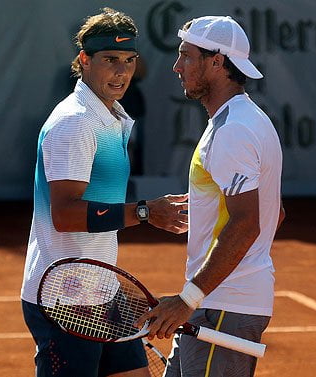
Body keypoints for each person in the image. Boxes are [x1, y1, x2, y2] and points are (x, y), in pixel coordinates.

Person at [20, 8, 188, 377]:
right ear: (84, 60)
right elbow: (65, 216)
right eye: (110, 60)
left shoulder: (111, 117)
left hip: (101, 291)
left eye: (129, 61)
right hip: (63, 300)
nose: (121, 71)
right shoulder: (75, 124)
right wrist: (145, 212)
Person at [135, 16, 285, 377]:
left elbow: (249, 222)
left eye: (186, 56)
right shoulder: (243, 120)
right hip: (216, 301)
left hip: (222, 306)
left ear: (217, 62)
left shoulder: (234, 130)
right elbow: (274, 213)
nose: (176, 66)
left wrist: (188, 299)